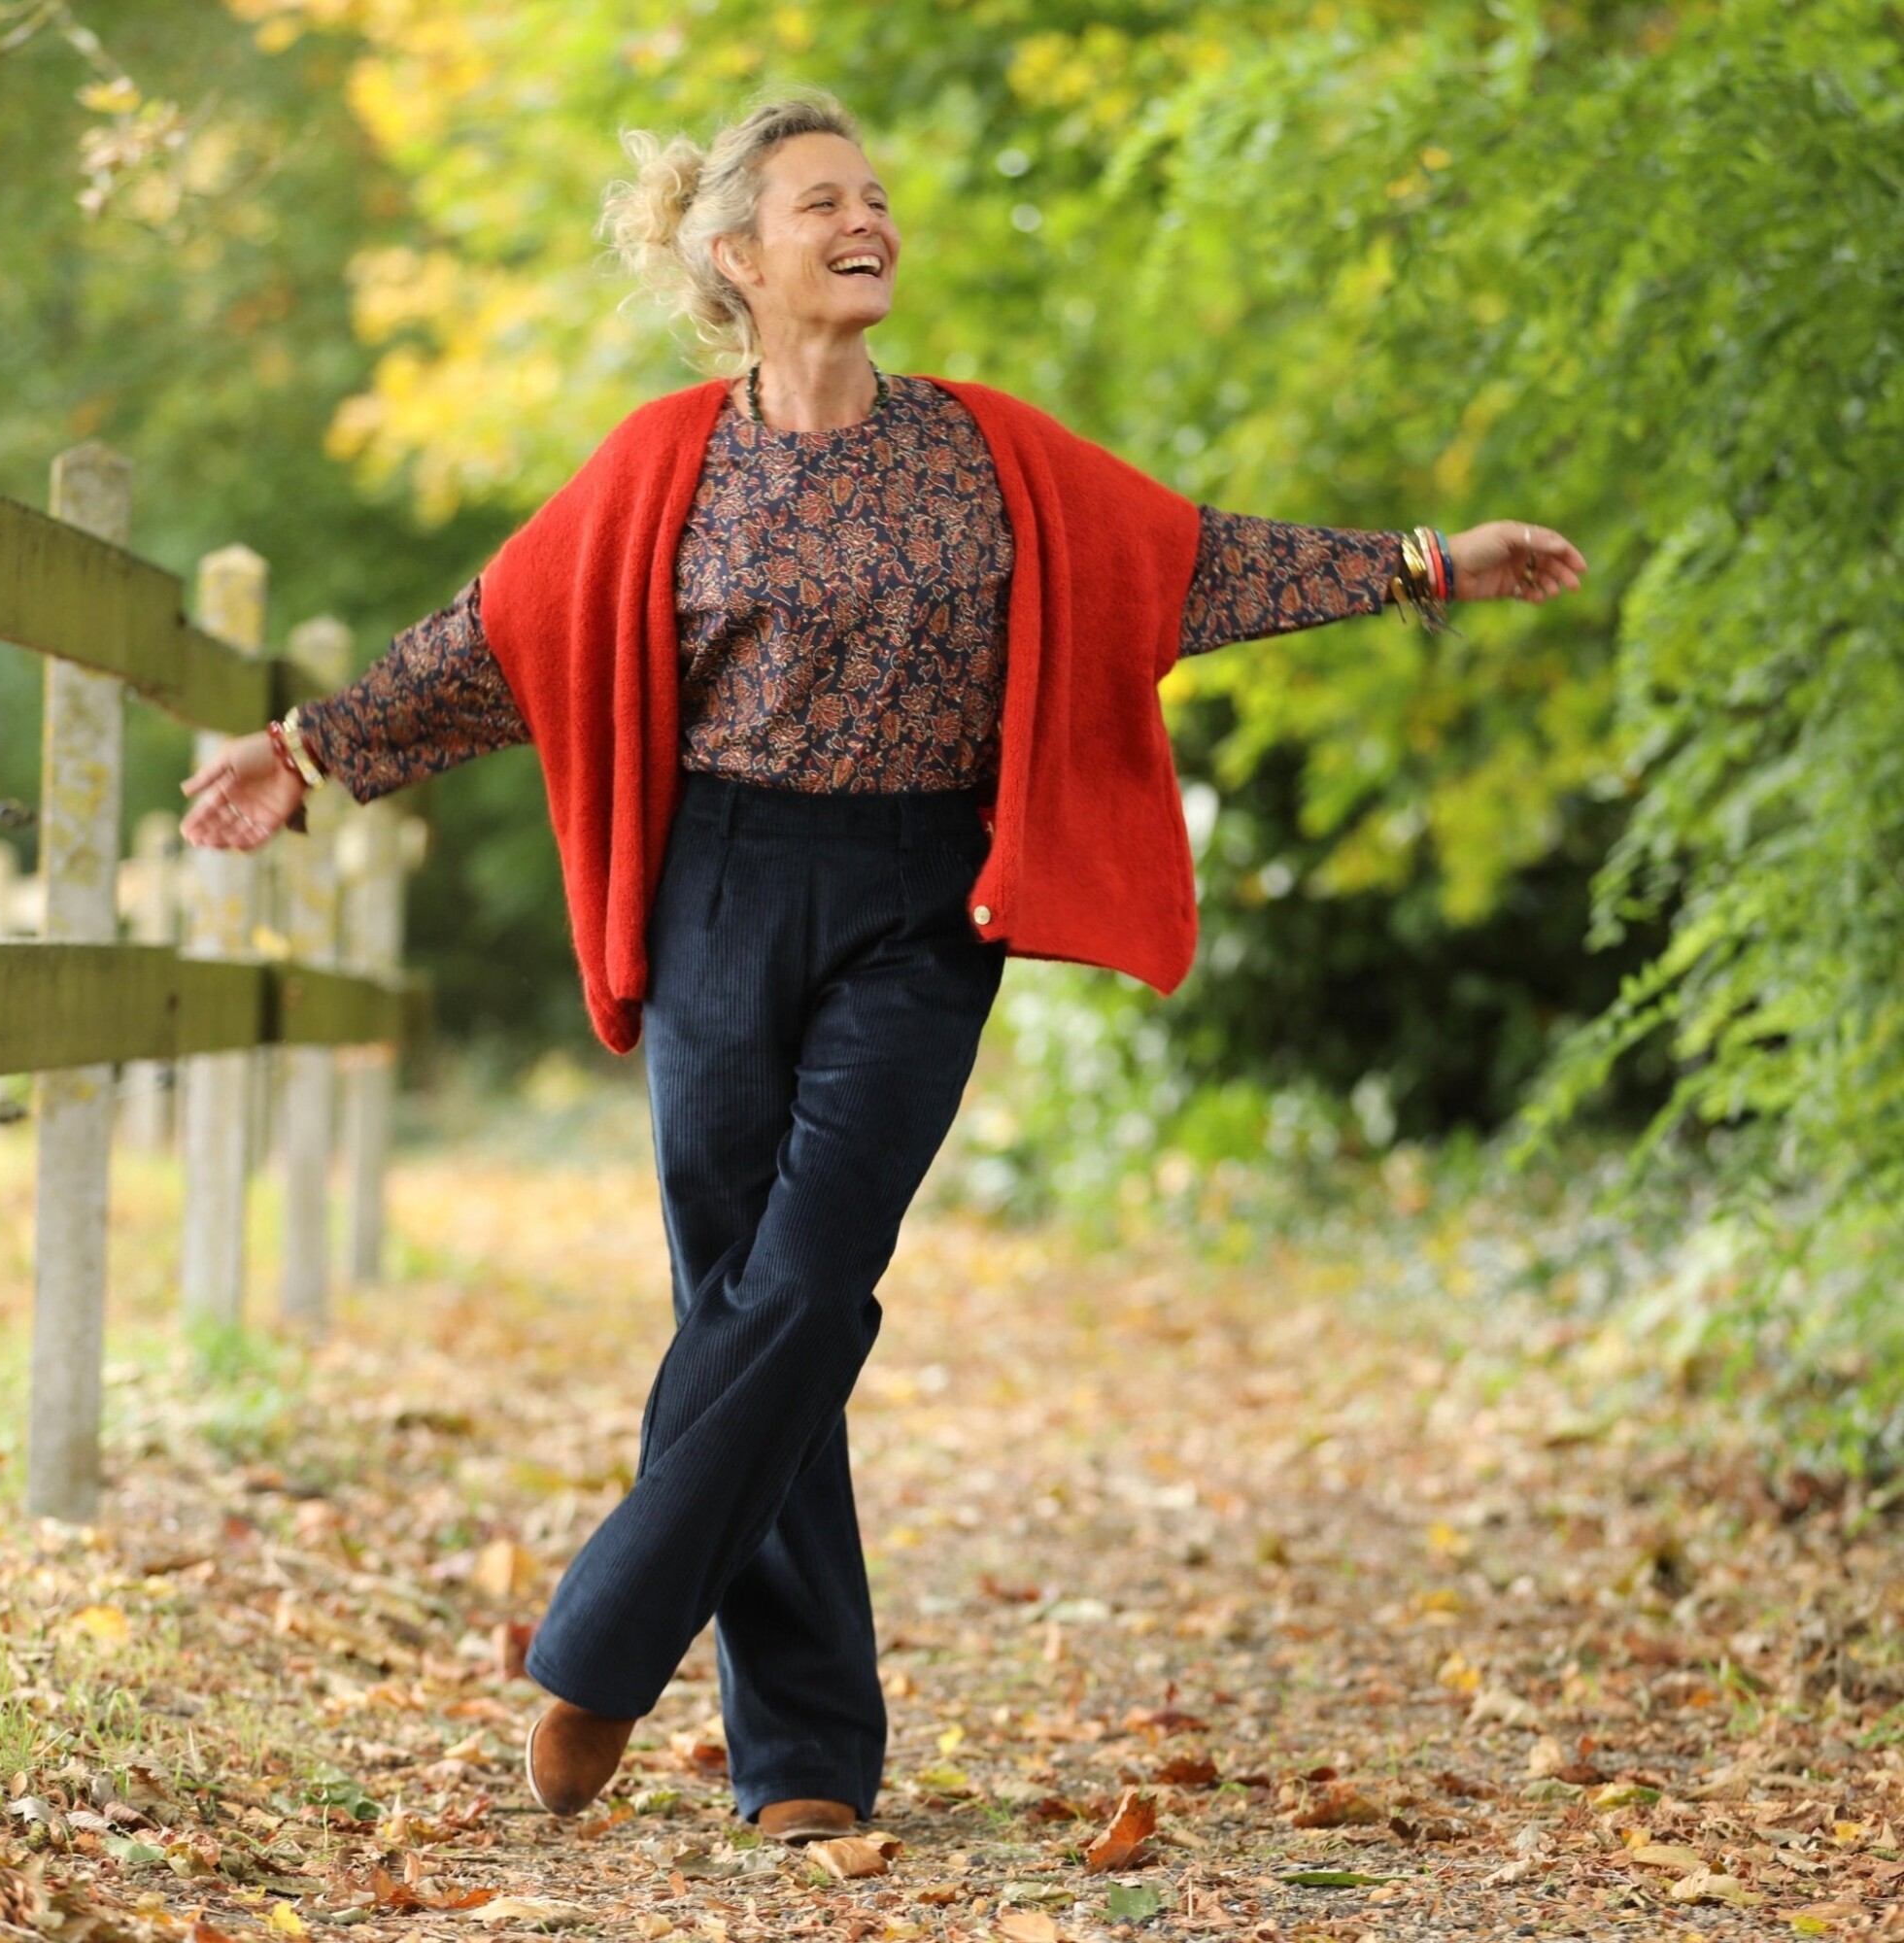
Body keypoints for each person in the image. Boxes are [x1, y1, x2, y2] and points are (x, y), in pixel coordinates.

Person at [180, 88, 1586, 1844]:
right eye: (823, 202)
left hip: (924, 906)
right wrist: (303, 751)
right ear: (736, 256)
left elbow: (1195, 563)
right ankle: (806, 1760)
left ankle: (602, 1651)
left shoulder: (990, 452)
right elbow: (494, 640)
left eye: (876, 198)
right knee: (741, 1300)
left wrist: (1426, 565)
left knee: (810, 1277)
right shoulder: (663, 465)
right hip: (718, 891)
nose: (867, 222)